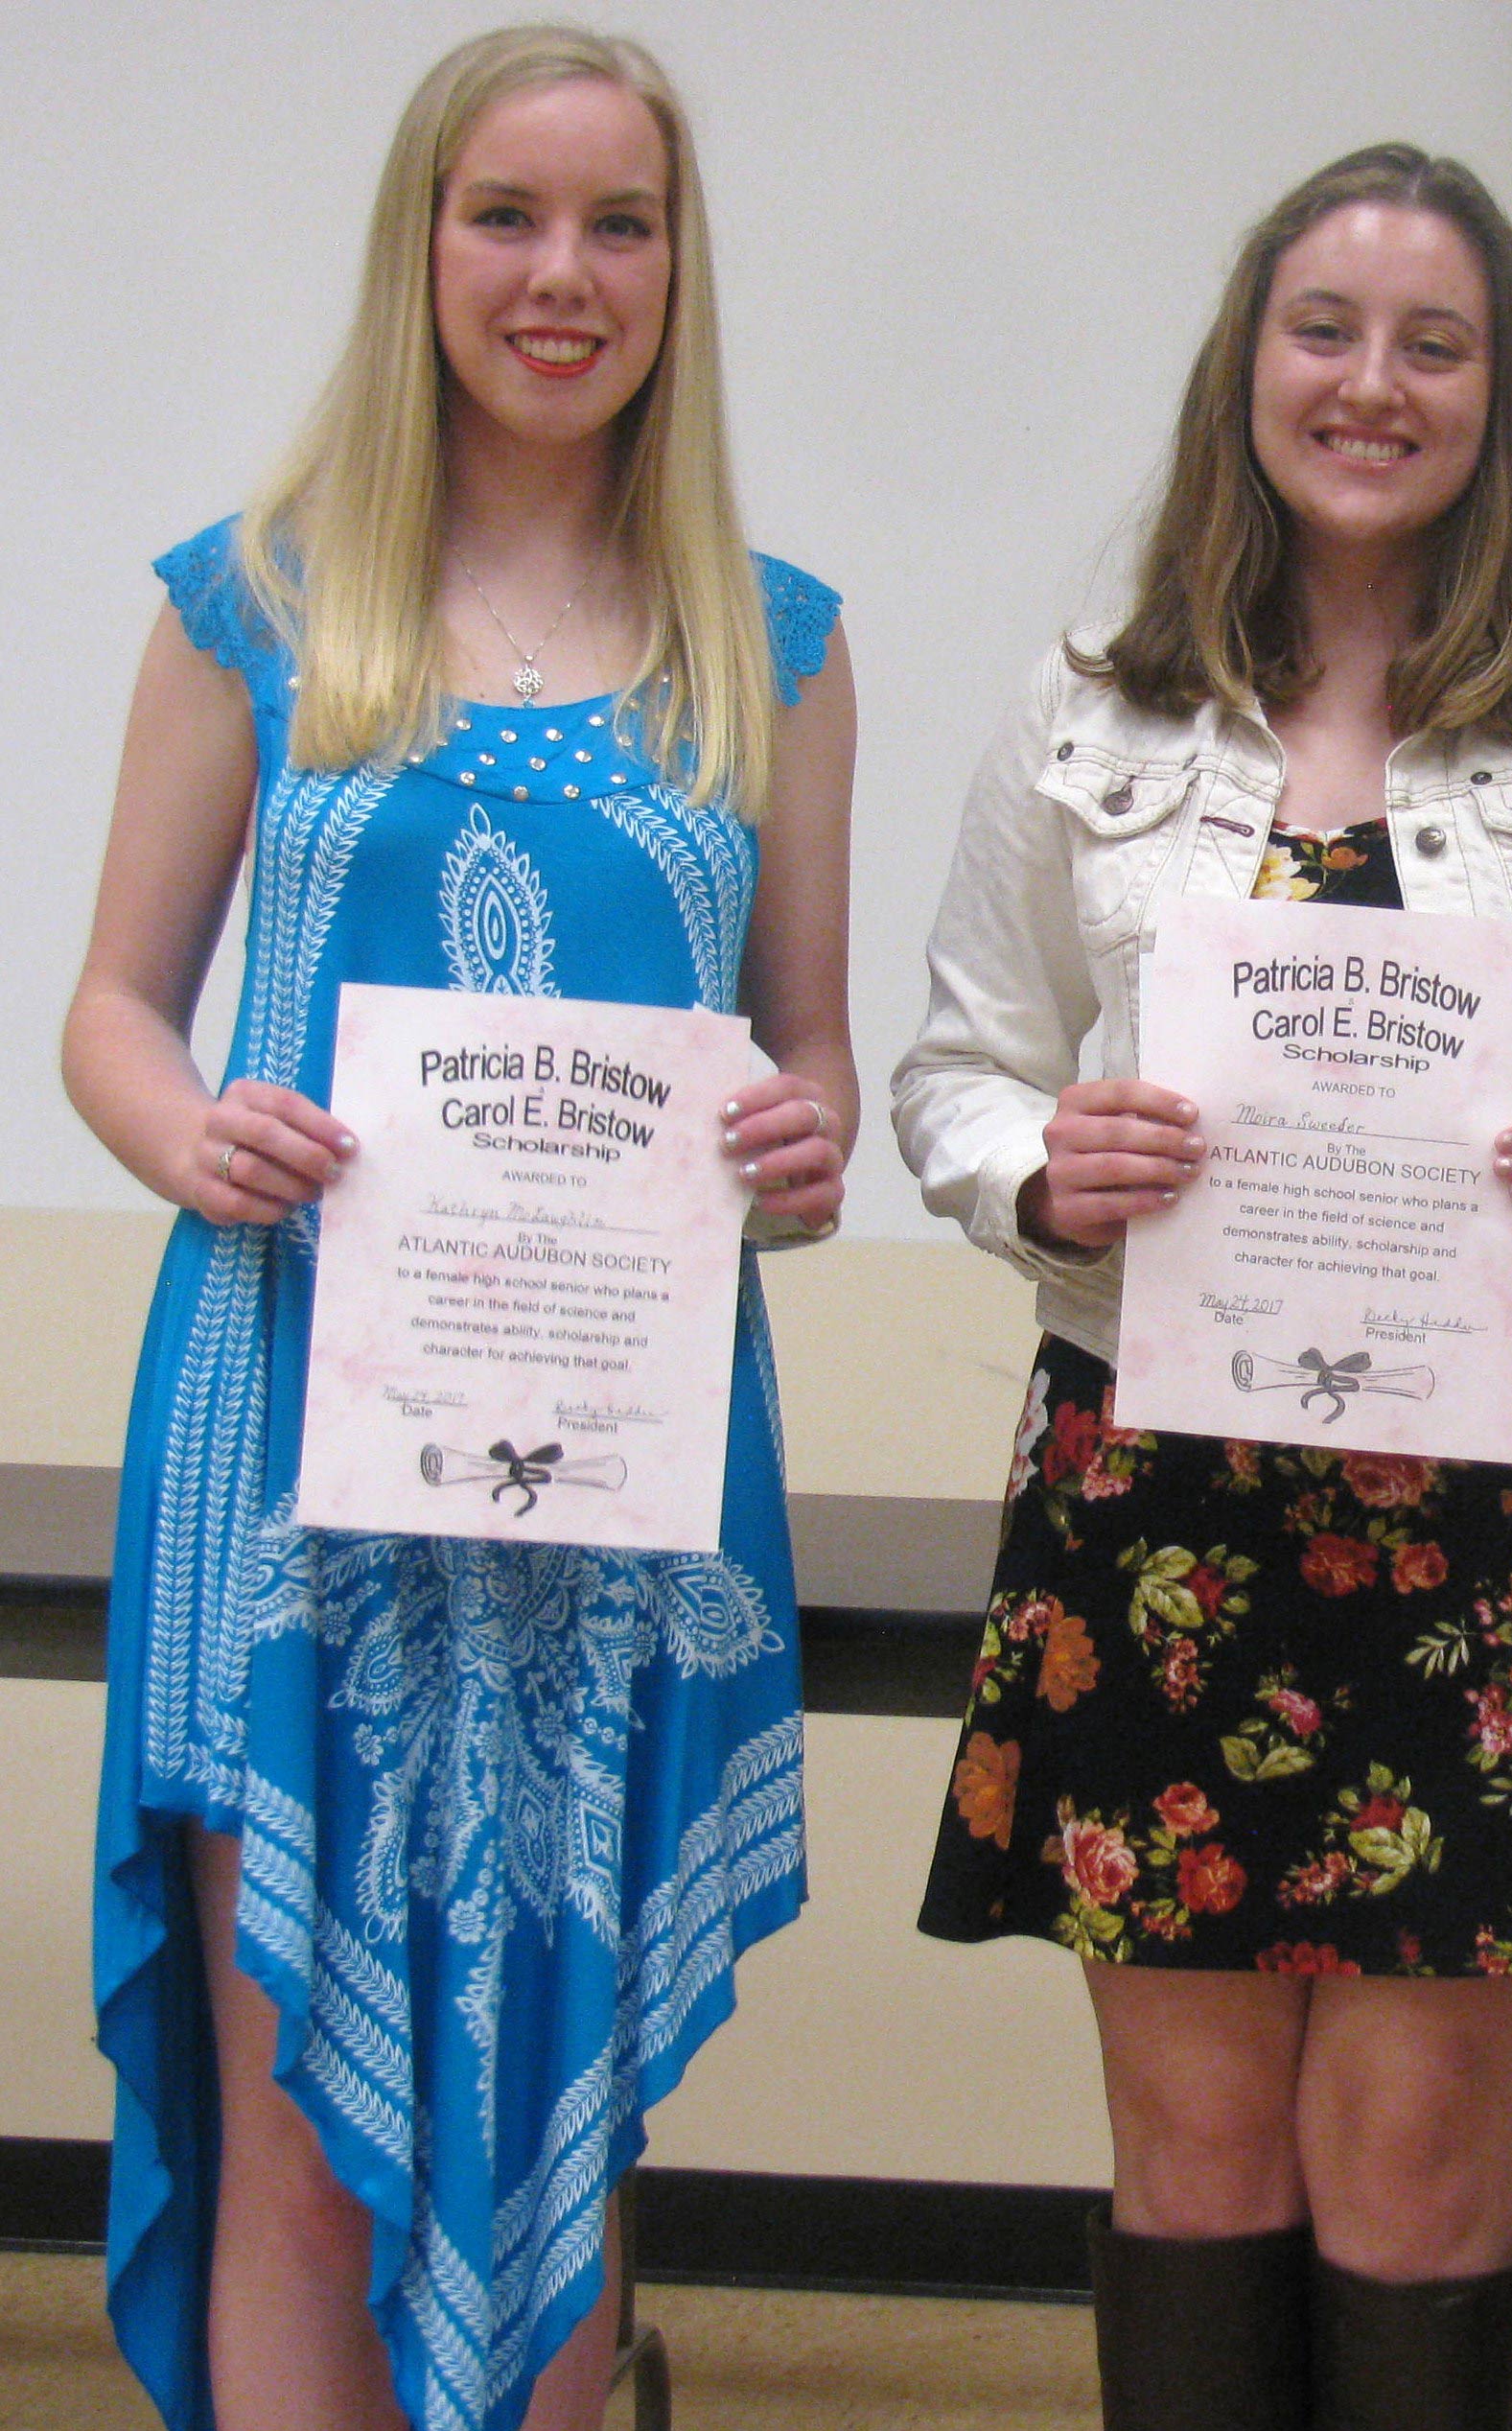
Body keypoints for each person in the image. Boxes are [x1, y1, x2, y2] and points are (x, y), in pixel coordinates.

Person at [894, 142, 1512, 2431]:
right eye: (1324, 330)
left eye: (1432, 342)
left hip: (1505, 1520)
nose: (1370, 383)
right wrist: (1041, 1166)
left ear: (1504, 396)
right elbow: (956, 1070)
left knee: (1407, 2177)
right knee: (1195, 2168)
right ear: (1247, 369)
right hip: (1161, 1511)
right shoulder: (1093, 711)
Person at [63, 29, 855, 2431]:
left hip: (616, 1478)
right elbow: (111, 1002)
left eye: (620, 226)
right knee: (306, 2120)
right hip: (288, 1446)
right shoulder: (261, 600)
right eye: (507, 215)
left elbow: (800, 1056)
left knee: (560, 2123)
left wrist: (802, 1148)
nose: (561, 275)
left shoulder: (777, 639)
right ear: (423, 244)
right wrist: (187, 1131)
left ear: (677, 274)